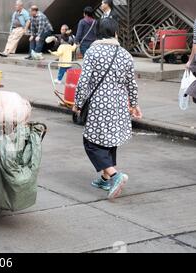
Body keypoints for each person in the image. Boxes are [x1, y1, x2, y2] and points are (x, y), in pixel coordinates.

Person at [73, 18, 142, 200]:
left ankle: (114, 175)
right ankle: (105, 179)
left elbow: (83, 82)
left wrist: (78, 103)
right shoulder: (126, 55)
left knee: (91, 142)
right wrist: (133, 104)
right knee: (109, 140)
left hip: (99, 105)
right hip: (119, 105)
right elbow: (131, 84)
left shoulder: (93, 52)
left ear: (98, 33)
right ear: (116, 33)